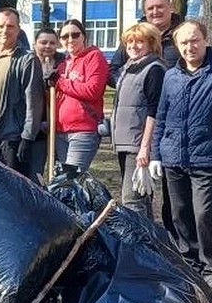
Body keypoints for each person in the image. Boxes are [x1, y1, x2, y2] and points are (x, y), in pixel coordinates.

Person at [150, 19, 212, 290]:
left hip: (206, 156)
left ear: (205, 40)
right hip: (173, 156)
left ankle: (211, 269)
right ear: (177, 46)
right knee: (179, 213)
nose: (190, 46)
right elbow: (161, 117)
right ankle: (190, 264)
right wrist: (156, 153)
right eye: (184, 42)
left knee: (204, 213)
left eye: (195, 40)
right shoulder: (171, 76)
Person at [0, 8, 44, 178]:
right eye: (1, 26)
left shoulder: (27, 60)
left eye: (10, 26)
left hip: (13, 138)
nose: (5, 30)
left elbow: (33, 103)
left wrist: (27, 138)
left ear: (18, 30)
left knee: (14, 191)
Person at [112, 23, 165, 219]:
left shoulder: (154, 70)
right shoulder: (129, 69)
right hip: (125, 144)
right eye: (130, 42)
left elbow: (155, 111)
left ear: (151, 44)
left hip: (138, 146)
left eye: (140, 41)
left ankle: (139, 246)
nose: (134, 46)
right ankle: (152, 245)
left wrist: (145, 147)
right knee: (141, 197)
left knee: (132, 200)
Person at [47, 19, 109, 175]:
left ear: (83, 36)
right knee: (62, 181)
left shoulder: (94, 57)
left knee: (71, 180)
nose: (70, 40)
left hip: (83, 131)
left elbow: (92, 90)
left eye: (75, 35)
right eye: (65, 36)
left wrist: (60, 82)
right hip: (60, 131)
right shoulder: (62, 64)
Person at [109, 0, 183, 84]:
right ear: (145, 12)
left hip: (172, 94)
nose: (155, 12)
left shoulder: (184, 34)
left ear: (170, 7)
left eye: (160, 7)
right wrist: (131, 85)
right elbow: (113, 71)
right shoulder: (133, 36)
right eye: (150, 8)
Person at [29, 27, 64, 179]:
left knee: (59, 173)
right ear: (35, 44)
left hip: (60, 126)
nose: (48, 46)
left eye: (52, 43)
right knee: (35, 173)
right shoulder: (28, 63)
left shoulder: (64, 63)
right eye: (43, 42)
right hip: (35, 128)